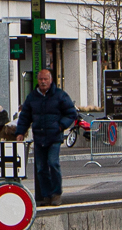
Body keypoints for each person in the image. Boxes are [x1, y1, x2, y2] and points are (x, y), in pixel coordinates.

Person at [10, 67, 80, 207]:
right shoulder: (32, 97)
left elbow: (71, 113)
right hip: (39, 137)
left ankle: (56, 194)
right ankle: (46, 195)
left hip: (54, 136)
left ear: (51, 80)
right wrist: (20, 132)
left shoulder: (60, 95)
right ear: (38, 80)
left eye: (45, 79)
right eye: (41, 79)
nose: (43, 82)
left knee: (53, 164)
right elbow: (25, 116)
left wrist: (60, 126)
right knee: (41, 168)